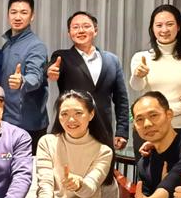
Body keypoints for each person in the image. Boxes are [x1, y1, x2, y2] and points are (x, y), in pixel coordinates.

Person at [47, 11, 129, 150]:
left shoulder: (112, 60)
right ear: (69, 33)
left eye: (86, 26)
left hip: (103, 130)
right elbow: (50, 68)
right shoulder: (62, 57)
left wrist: (122, 131)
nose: (81, 30)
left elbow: (121, 99)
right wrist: (50, 72)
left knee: (104, 164)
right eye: (75, 27)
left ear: (95, 30)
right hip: (71, 128)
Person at [130, 4, 181, 136]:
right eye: (159, 25)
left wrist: (162, 114)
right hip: (148, 127)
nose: (164, 29)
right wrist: (138, 76)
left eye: (170, 24)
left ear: (179, 26)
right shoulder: (141, 57)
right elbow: (137, 87)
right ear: (152, 28)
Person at [0, 0, 49, 150]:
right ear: (8, 15)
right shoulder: (7, 45)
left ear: (32, 16)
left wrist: (22, 80)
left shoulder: (36, 46)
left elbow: (36, 76)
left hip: (29, 124)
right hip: (6, 120)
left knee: (28, 165)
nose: (18, 17)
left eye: (24, 12)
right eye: (13, 12)